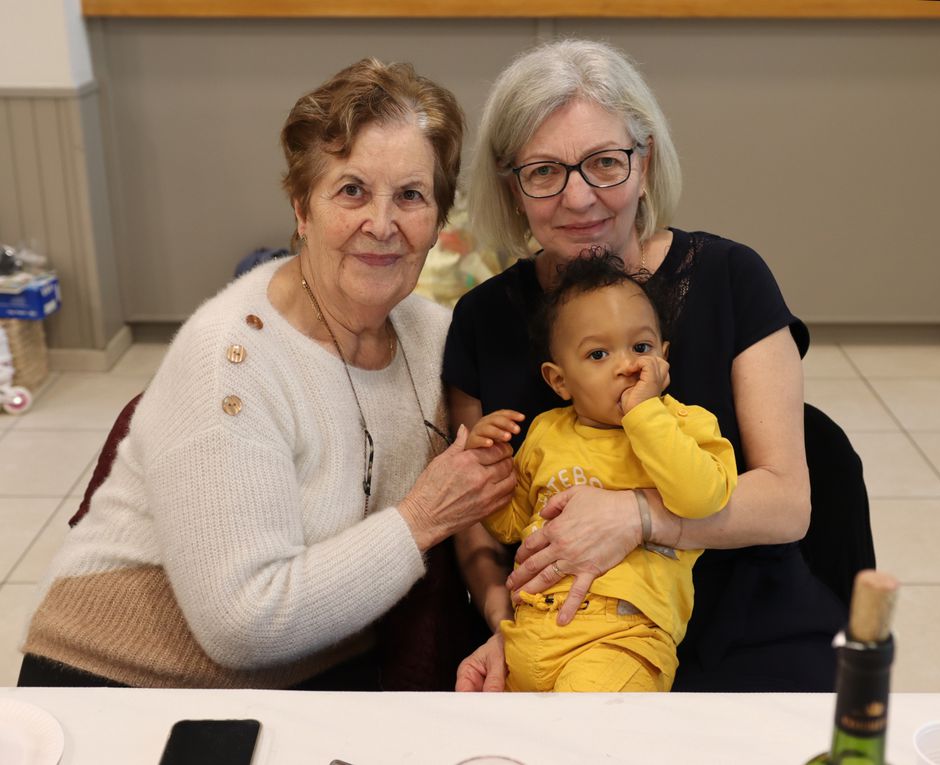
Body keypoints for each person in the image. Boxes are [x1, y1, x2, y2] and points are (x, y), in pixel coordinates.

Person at [17, 58, 515, 690]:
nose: (382, 224)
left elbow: (483, 507)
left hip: (314, 675)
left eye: (411, 196)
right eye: (352, 190)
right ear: (302, 208)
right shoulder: (230, 356)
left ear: (439, 221)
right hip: (127, 684)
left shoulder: (431, 334)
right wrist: (420, 517)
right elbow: (242, 625)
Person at [445, 38, 852, 693]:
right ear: (510, 185)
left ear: (645, 159)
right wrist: (504, 622)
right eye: (545, 171)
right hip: (556, 633)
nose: (579, 199)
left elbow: (787, 501)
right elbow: (477, 526)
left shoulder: (730, 278)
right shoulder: (482, 319)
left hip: (741, 618)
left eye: (605, 162)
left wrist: (636, 516)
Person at [465, 251, 736, 692]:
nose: (627, 365)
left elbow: (701, 498)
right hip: (527, 637)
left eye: (642, 348)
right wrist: (489, 467)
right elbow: (512, 526)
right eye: (598, 354)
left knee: (583, 744)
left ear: (664, 359)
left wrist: (645, 413)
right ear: (559, 381)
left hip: (622, 638)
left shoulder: (686, 424)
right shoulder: (545, 432)